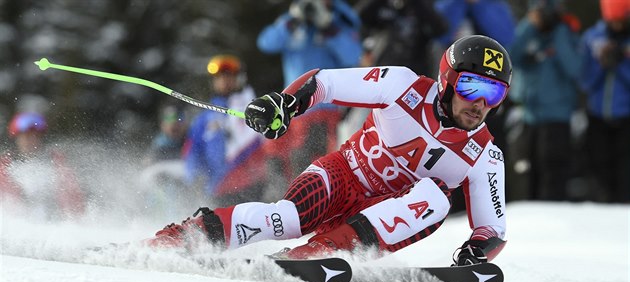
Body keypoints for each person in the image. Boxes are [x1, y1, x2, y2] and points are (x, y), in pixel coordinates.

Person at [146, 35, 511, 266]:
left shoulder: (485, 155)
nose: (479, 103)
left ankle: (320, 253)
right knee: (286, 219)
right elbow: (325, 83)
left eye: (493, 93)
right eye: (472, 86)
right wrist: (285, 103)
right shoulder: (402, 85)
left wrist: (477, 253)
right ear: (448, 80)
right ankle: (183, 237)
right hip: (341, 175)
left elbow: (492, 229)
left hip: (378, 216)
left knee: (436, 199)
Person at [256, 0, 362, 199]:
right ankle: (284, 202)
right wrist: (292, 22)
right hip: (293, 106)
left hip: (326, 107)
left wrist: (329, 28)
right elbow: (266, 43)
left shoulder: (342, 18)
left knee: (313, 159)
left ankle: (312, 203)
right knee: (278, 153)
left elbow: (353, 56)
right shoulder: (294, 19)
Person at [508, 0, 581, 201]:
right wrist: (529, 26)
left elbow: (575, 69)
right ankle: (532, 217)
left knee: (553, 170)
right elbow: (509, 56)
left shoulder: (565, 34)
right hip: (529, 115)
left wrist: (559, 33)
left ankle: (554, 217)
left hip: (557, 116)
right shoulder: (528, 33)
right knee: (528, 169)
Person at [184, 54, 267, 206]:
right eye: (219, 78)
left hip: (256, 185)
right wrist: (195, 176)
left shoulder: (255, 107)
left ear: (239, 79)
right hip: (220, 190)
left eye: (229, 77)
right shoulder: (204, 118)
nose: (224, 81)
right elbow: (192, 151)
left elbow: (269, 141)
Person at [579, 0, 630, 203]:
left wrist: (621, 65)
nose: (617, 25)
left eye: (622, 20)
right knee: (598, 169)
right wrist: (602, 64)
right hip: (597, 115)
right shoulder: (593, 38)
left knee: (625, 172)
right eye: (613, 21)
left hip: (626, 118)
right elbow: (584, 81)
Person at [0, 112, 85, 219]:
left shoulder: (56, 162)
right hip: (19, 222)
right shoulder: (5, 164)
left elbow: (74, 197)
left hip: (54, 223)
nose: (30, 141)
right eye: (25, 136)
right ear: (17, 138)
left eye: (35, 136)